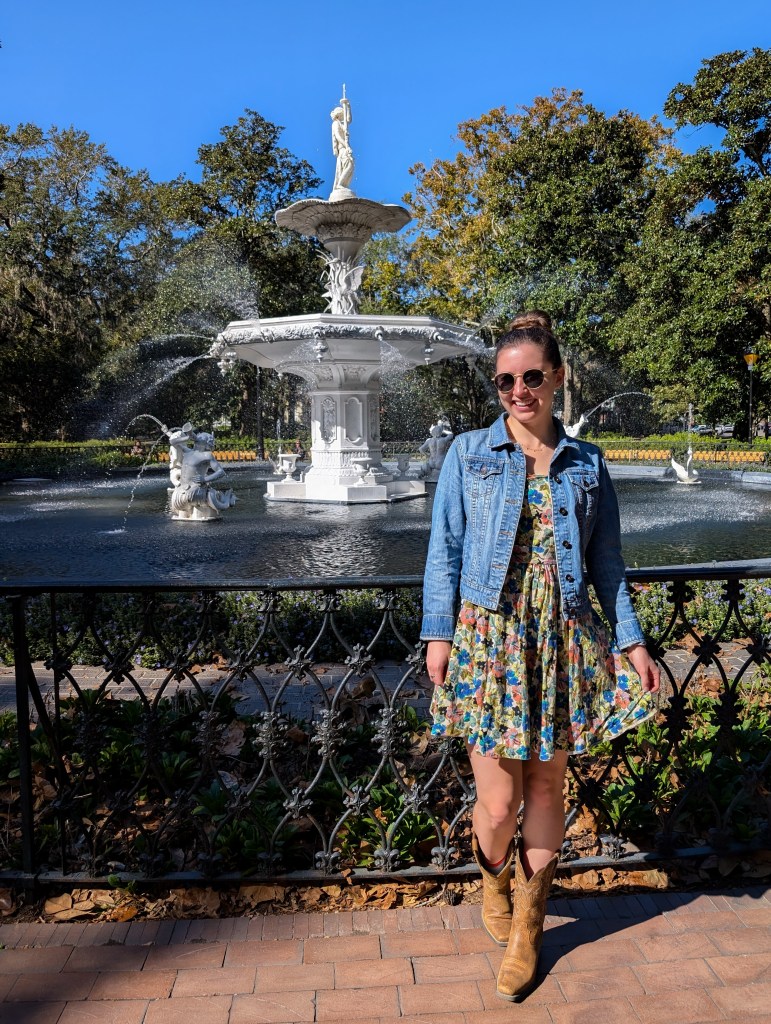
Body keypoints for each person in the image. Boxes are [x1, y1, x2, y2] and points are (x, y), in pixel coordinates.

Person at [421, 311, 660, 1002]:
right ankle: (492, 878)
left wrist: (631, 640)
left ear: (555, 377)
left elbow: (607, 562)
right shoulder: (468, 452)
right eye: (505, 381)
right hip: (489, 639)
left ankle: (529, 928)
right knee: (497, 804)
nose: (518, 391)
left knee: (547, 788)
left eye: (531, 377)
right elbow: (444, 549)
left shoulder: (587, 462)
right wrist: (438, 635)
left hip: (563, 639)